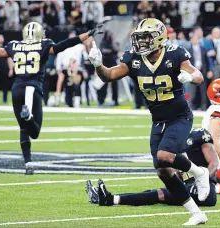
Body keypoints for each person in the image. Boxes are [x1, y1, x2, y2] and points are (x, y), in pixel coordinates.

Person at [88, 18, 209, 226]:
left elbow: (197, 74)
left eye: (146, 38)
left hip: (180, 117)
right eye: (139, 38)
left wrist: (191, 77)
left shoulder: (174, 53)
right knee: (162, 169)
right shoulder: (134, 58)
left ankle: (199, 172)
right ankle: (196, 212)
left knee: (165, 155)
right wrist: (99, 65)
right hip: (158, 120)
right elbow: (108, 76)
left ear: (159, 38)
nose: (141, 42)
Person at [0, 22, 103, 174]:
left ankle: (28, 163)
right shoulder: (44, 44)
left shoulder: (14, 45)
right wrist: (88, 34)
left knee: (23, 128)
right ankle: (28, 117)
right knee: (34, 131)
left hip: (17, 89)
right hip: (32, 89)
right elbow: (64, 44)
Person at [86, 128, 219, 207]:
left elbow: (214, 163)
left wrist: (204, 179)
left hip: (205, 191)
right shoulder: (175, 140)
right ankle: (103, 197)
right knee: (152, 192)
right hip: (188, 184)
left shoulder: (198, 135)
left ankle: (110, 200)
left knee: (159, 195)